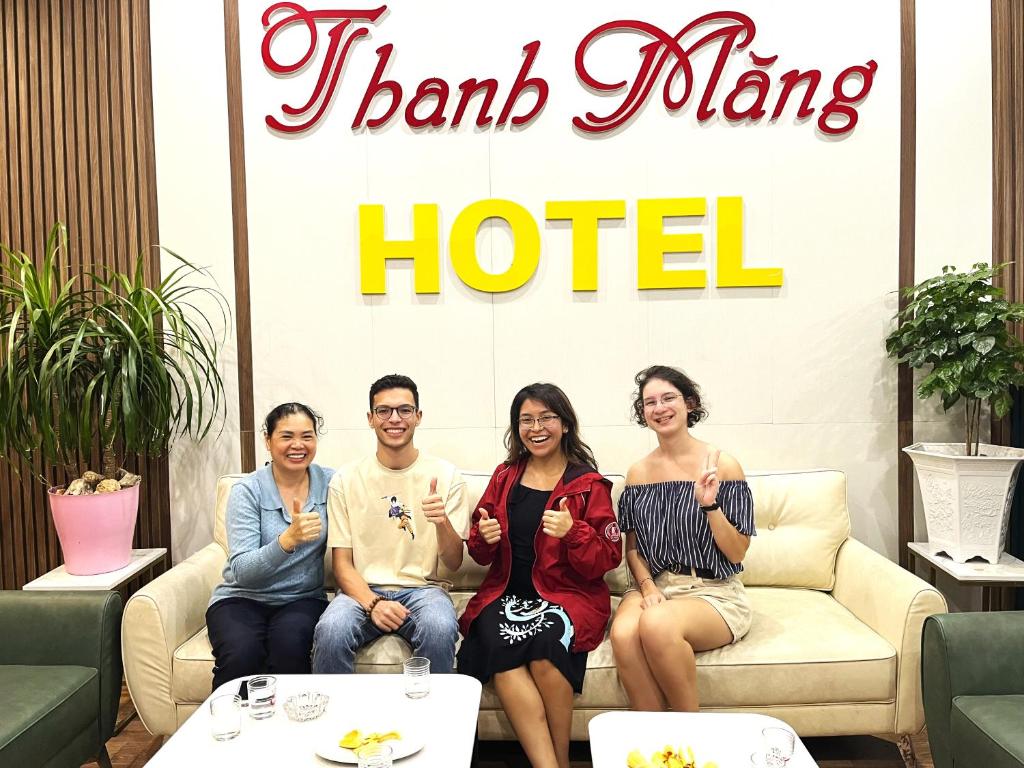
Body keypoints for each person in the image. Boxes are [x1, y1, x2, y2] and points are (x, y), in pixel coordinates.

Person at [458, 383, 621, 768]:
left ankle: (559, 762)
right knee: (501, 650)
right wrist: (484, 537)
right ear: (517, 429)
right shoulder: (504, 477)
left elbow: (607, 558)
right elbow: (479, 550)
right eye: (526, 420)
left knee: (547, 652)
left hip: (566, 596)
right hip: (505, 593)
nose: (537, 427)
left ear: (565, 424)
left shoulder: (588, 485)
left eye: (546, 417)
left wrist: (574, 532)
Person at [610, 365, 755, 712]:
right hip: (655, 583)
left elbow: (736, 553)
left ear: (689, 404)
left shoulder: (722, 465)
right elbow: (632, 548)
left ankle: (689, 738)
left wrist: (710, 506)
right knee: (623, 634)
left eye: (668, 398)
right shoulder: (638, 473)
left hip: (712, 590)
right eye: (650, 403)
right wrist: (647, 588)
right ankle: (654, 745)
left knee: (657, 624)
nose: (659, 408)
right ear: (643, 414)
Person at [311, 374, 470, 674]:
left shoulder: (447, 476)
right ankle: (340, 721)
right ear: (370, 419)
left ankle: (430, 720)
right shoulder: (345, 479)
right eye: (384, 411)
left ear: (418, 416)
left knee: (439, 628)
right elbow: (342, 565)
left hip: (425, 590)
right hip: (362, 589)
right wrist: (373, 604)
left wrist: (442, 522)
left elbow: (453, 562)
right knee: (331, 630)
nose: (394, 419)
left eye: (404, 410)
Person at [206, 402, 334, 691]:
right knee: (241, 655)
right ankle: (230, 729)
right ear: (268, 440)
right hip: (241, 598)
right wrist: (287, 540)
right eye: (287, 436)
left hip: (302, 599)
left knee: (289, 650)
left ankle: (289, 733)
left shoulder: (330, 483)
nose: (298, 445)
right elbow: (242, 571)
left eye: (307, 436)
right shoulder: (247, 490)